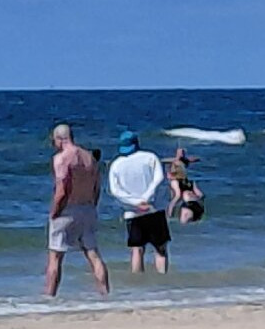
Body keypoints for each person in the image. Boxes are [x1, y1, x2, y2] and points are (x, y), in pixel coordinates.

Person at [44, 124, 110, 296]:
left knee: (55, 256)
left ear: (59, 139)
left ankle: (50, 296)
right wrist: (92, 206)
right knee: (93, 253)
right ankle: (104, 292)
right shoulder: (89, 157)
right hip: (87, 207)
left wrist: (55, 210)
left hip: (68, 209)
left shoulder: (61, 158)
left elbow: (63, 188)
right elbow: (97, 187)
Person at [108, 130, 171, 273]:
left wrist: (135, 203)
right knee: (160, 248)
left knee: (137, 250)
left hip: (132, 212)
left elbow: (116, 191)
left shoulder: (116, 165)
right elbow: (158, 179)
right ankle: (162, 281)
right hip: (154, 209)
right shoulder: (150, 157)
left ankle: (138, 286)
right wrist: (146, 198)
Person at [166, 160, 205, 224]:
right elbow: (201, 195)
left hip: (187, 205)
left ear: (172, 173)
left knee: (183, 226)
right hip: (198, 207)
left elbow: (177, 196)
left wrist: (170, 209)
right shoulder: (190, 182)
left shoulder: (174, 182)